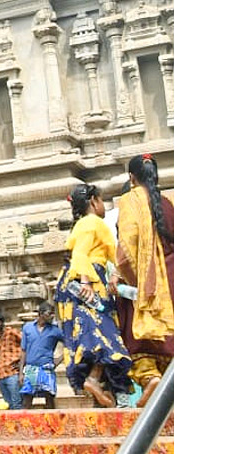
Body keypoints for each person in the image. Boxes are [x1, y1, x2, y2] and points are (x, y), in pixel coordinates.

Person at [54, 184, 132, 408]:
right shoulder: (92, 223)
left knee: (86, 334)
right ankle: (95, 379)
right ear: (93, 202)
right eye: (102, 200)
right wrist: (87, 282)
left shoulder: (82, 224)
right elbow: (80, 254)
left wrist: (119, 274)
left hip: (78, 282)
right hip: (88, 281)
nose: (104, 205)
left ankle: (103, 388)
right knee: (101, 334)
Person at [115, 152, 174, 408]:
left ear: (131, 177)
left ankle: (150, 378)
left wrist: (133, 283)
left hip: (149, 284)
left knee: (138, 337)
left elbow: (126, 253)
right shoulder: (168, 202)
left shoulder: (130, 201)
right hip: (175, 281)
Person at [20, 300, 66, 409]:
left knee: (49, 400)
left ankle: (52, 425)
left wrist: (59, 359)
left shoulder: (55, 331)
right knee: (27, 401)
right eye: (49, 313)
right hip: (30, 369)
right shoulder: (28, 328)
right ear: (41, 314)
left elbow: (69, 344)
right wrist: (21, 373)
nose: (52, 316)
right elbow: (23, 351)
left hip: (46, 368)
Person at [0, 313, 23, 410]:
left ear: (2, 322)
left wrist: (22, 363)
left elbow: (26, 343)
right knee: (9, 405)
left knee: (17, 403)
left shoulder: (12, 332)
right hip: (2, 374)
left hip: (13, 373)